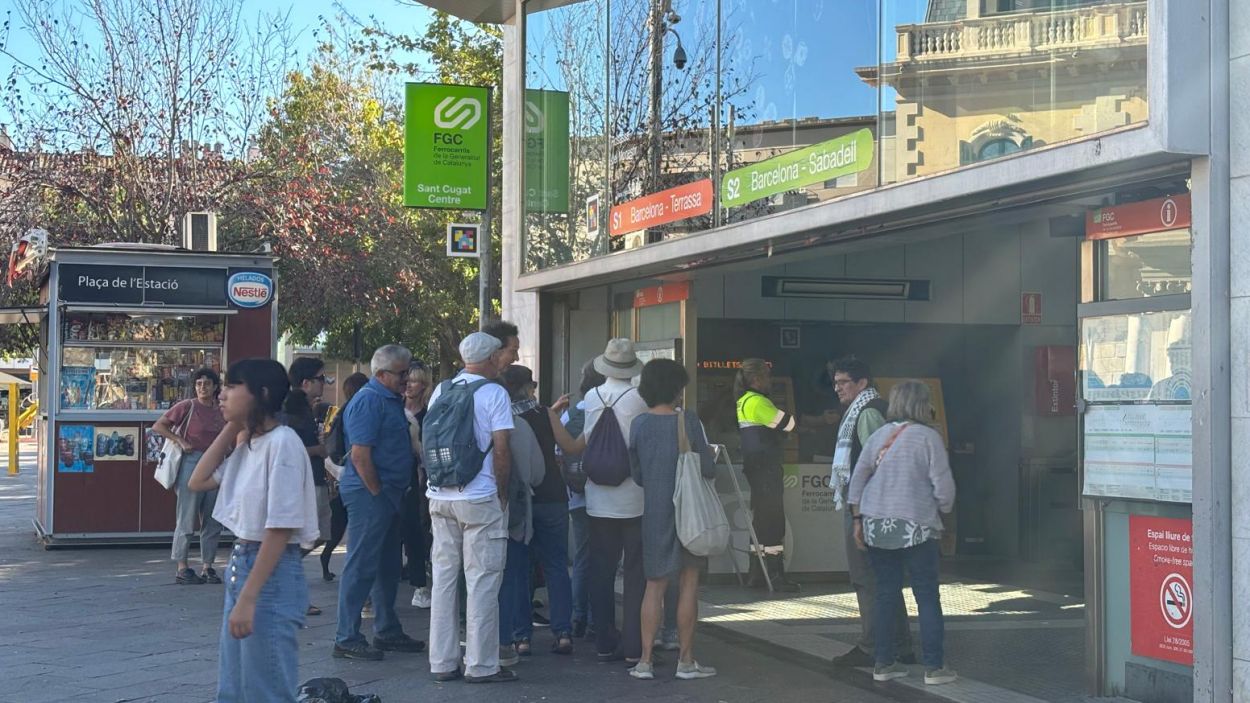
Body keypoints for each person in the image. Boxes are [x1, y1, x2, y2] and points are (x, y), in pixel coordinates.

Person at [188, 358, 319, 702]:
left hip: (270, 575)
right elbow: (198, 480)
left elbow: (280, 527)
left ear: (261, 393)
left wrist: (248, 597)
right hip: (242, 564)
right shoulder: (249, 443)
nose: (222, 394)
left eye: (232, 387)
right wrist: (232, 428)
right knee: (233, 688)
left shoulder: (283, 443)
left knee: (266, 689)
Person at [847, 380, 957, 686]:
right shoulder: (928, 437)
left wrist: (858, 520)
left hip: (876, 525)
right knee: (926, 595)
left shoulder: (880, 435)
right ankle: (934, 667)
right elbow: (944, 487)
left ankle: (884, 663)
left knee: (885, 593)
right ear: (923, 404)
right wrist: (943, 510)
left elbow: (857, 480)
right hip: (916, 526)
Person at [548, 338, 649, 664]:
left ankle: (605, 640)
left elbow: (576, 447)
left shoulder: (591, 397)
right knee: (635, 573)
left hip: (597, 498)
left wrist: (552, 417)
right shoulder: (639, 399)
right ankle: (634, 647)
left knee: (600, 571)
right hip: (634, 496)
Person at [426, 332, 516, 683]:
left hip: (440, 497)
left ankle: (442, 662)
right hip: (479, 497)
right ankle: (480, 665)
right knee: (482, 581)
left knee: (444, 582)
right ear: (493, 358)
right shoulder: (494, 393)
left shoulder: (441, 389)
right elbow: (502, 449)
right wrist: (502, 492)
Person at [332, 345, 426, 661]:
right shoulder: (370, 401)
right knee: (361, 564)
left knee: (386, 565)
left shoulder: (387, 399)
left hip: (386, 494)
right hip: (372, 494)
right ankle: (347, 636)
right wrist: (378, 493)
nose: (407, 379)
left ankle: (386, 629)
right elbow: (360, 455)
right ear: (382, 374)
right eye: (402, 373)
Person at [628, 359, 718, 681]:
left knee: (654, 586)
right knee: (689, 584)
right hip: (689, 513)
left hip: (654, 512)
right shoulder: (689, 422)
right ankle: (686, 661)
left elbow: (637, 475)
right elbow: (707, 468)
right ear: (675, 388)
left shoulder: (638, 425)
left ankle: (644, 661)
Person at [828, 357, 914, 667]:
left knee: (866, 578)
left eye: (844, 382)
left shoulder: (865, 414)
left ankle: (872, 646)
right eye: (835, 383)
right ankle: (901, 645)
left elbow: (878, 465)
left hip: (866, 508)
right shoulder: (873, 408)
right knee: (885, 576)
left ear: (862, 383)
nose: (838, 388)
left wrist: (860, 515)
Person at [502, 364, 575, 656]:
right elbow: (570, 446)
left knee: (519, 569)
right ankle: (563, 632)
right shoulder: (545, 413)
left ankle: (522, 637)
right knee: (556, 565)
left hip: (520, 503)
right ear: (529, 388)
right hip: (553, 497)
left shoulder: (503, 417)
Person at [155, 367, 227, 585]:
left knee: (213, 518)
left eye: (206, 383)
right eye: (198, 383)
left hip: (215, 462)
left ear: (215, 386)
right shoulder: (187, 406)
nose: (202, 387)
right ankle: (182, 566)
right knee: (187, 516)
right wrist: (181, 441)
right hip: (192, 460)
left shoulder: (221, 410)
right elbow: (159, 426)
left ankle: (208, 565)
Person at [734, 358, 801, 592]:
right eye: (767, 377)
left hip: (755, 467)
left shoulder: (742, 401)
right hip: (767, 468)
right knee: (773, 522)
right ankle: (775, 575)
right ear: (756, 379)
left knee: (761, 522)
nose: (769, 381)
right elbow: (789, 424)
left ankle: (757, 573)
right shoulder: (758, 402)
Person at [497, 364, 547, 666]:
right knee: (516, 573)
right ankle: (519, 635)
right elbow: (536, 474)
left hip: (469, 506)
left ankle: (486, 639)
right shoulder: (521, 426)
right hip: (514, 512)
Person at [282, 357, 332, 616]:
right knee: (311, 534)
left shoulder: (304, 407)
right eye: (321, 378)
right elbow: (288, 446)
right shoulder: (291, 408)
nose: (325, 383)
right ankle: (284, 582)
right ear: (306, 382)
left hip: (312, 476)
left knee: (319, 533)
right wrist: (318, 449)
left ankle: (284, 578)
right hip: (306, 480)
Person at [560, 360, 604, 640]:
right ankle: (599, 618)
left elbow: (559, 452)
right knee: (605, 559)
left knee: (583, 557)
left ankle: (578, 615)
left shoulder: (570, 414)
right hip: (607, 495)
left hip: (576, 494)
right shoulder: (607, 410)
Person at [319, 372, 368, 582]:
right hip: (356, 479)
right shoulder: (359, 411)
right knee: (354, 536)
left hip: (342, 479)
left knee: (336, 531)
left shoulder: (340, 413)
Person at [402, 361, 434, 608]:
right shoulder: (395, 408)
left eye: (414, 381)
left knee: (420, 528)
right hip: (401, 476)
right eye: (408, 379)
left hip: (422, 477)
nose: (409, 385)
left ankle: (420, 582)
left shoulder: (429, 414)